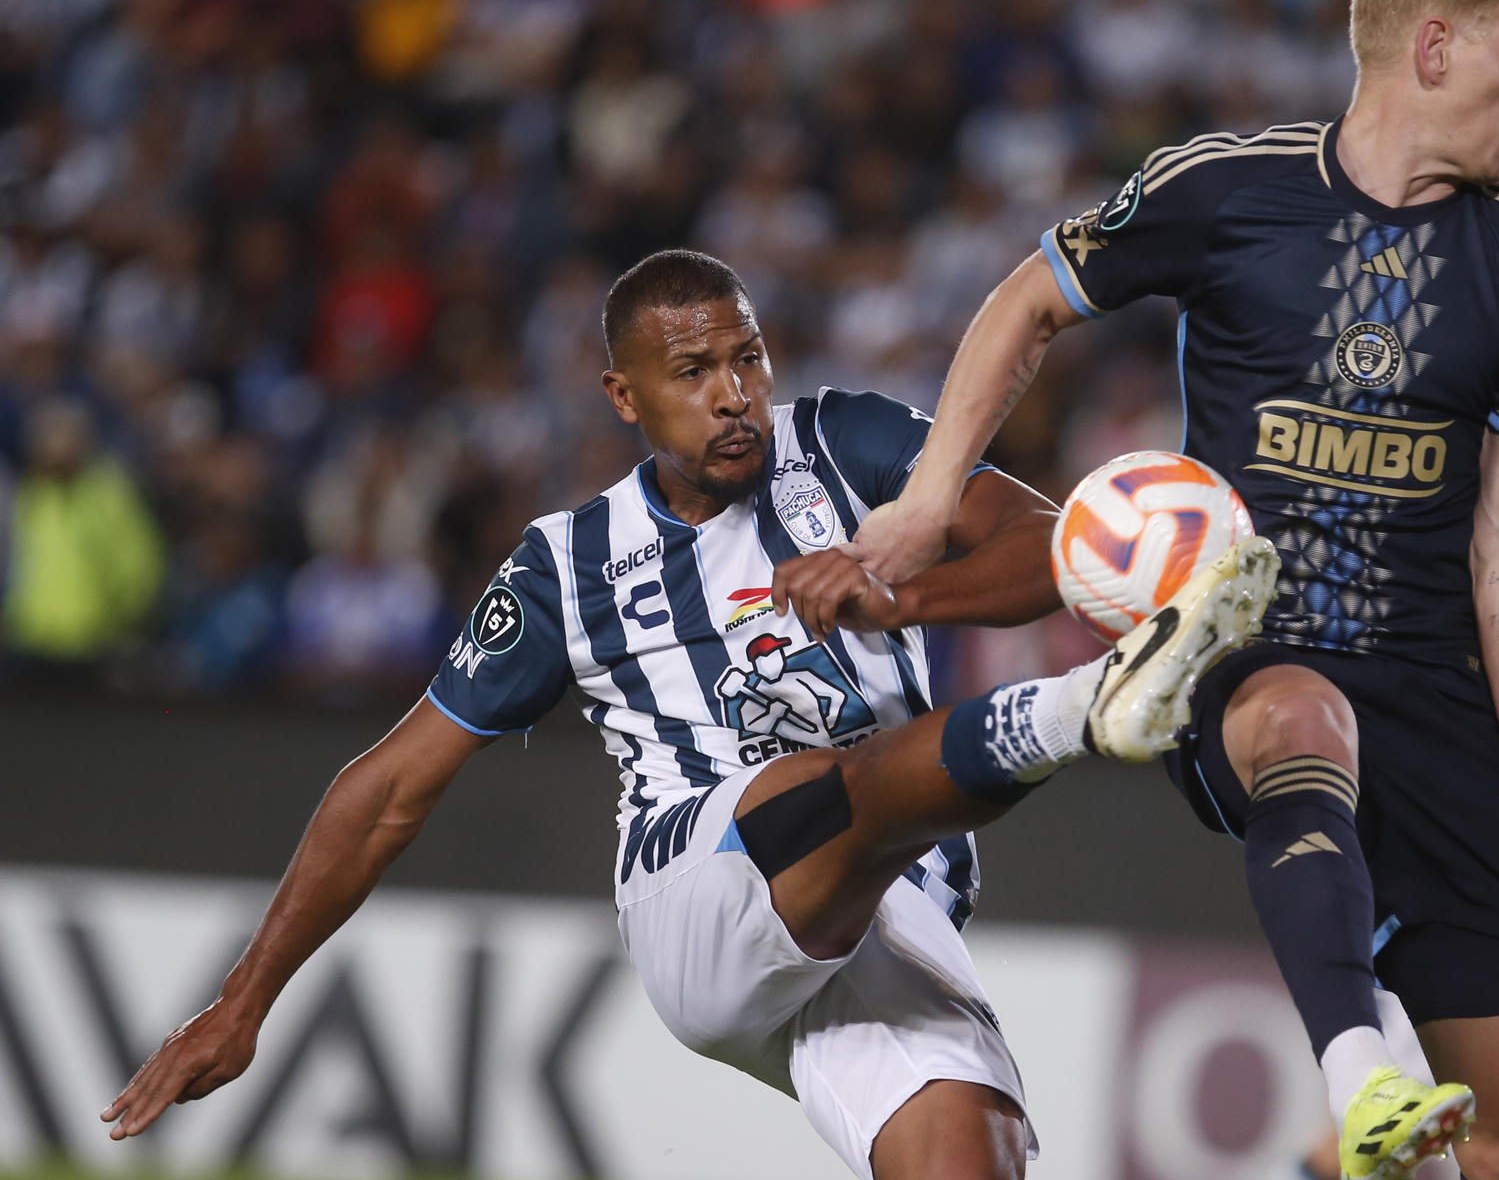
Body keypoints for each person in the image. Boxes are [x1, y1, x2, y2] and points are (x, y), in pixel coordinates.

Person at [99, 249, 1281, 1178]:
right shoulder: (568, 563)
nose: (735, 397)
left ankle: (1088, 705)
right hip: (698, 883)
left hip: (886, 906)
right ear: (624, 393)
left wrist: (896, 592)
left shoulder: (846, 444)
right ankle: (1091, 705)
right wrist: (242, 1001)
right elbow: (390, 787)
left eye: (749, 359)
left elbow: (1051, 547)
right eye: (694, 372)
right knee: (845, 779)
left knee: (977, 1153)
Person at [847, 0, 1499, 1179]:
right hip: (1244, 643)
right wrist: (930, 499)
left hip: (1438, 691)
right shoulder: (1227, 186)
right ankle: (1359, 1076)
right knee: (1303, 719)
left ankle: (1393, 1090)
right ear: (1431, 47)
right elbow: (1029, 298)